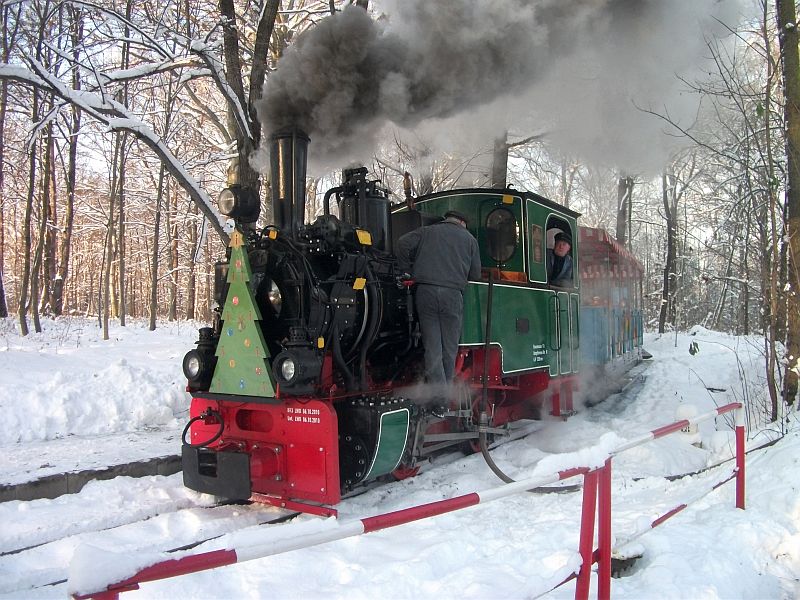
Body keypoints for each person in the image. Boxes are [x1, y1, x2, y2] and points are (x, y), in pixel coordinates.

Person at [396, 210, 481, 400]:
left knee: (432, 348)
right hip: (452, 295)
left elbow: (402, 243)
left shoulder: (427, 231)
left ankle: (438, 396)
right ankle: (443, 398)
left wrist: (406, 270)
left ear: (447, 220)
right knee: (449, 349)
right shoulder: (469, 239)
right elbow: (475, 275)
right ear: (462, 222)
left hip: (425, 293)